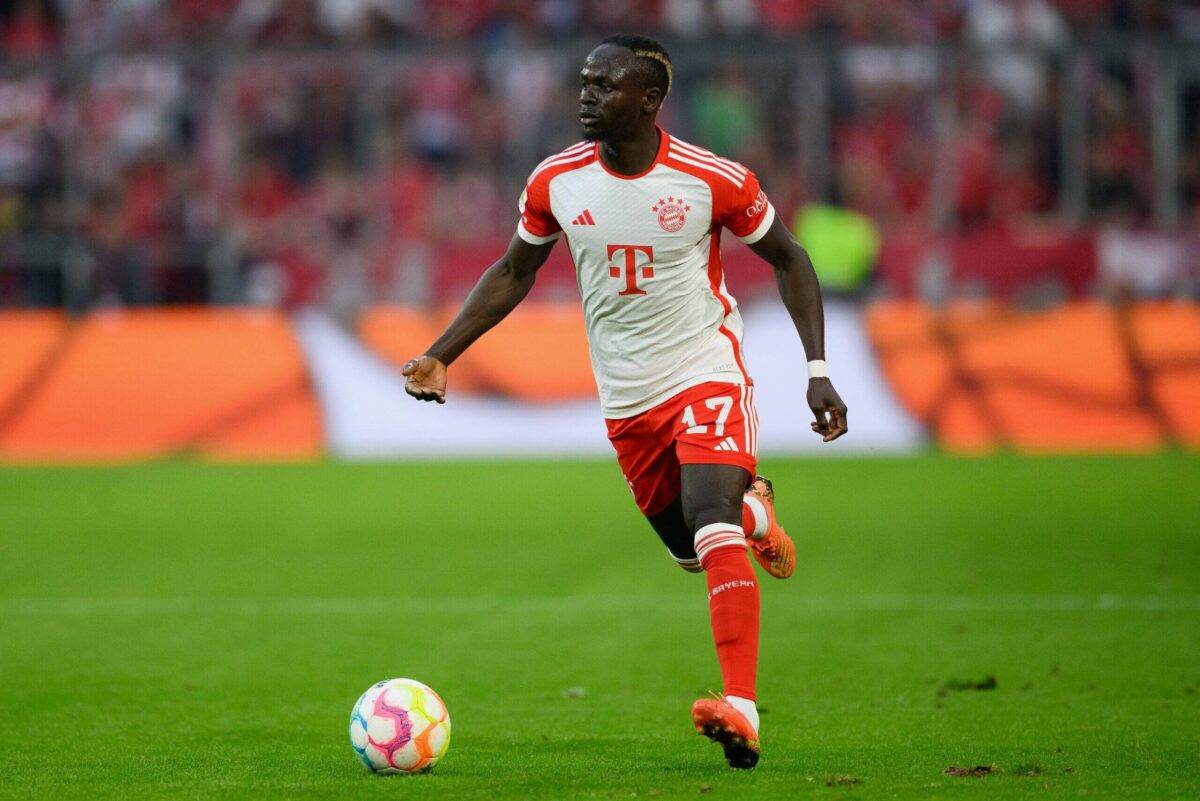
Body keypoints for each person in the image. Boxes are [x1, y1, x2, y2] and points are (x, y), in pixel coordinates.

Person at [402, 33, 847, 769]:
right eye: (584, 82)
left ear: (648, 99)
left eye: (605, 85)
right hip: (627, 399)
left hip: (705, 371)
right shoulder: (555, 180)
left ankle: (740, 703)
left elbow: (791, 257)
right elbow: (514, 271)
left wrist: (818, 368)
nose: (586, 94)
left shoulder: (713, 178)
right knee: (689, 550)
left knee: (708, 523)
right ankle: (755, 510)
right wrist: (442, 353)